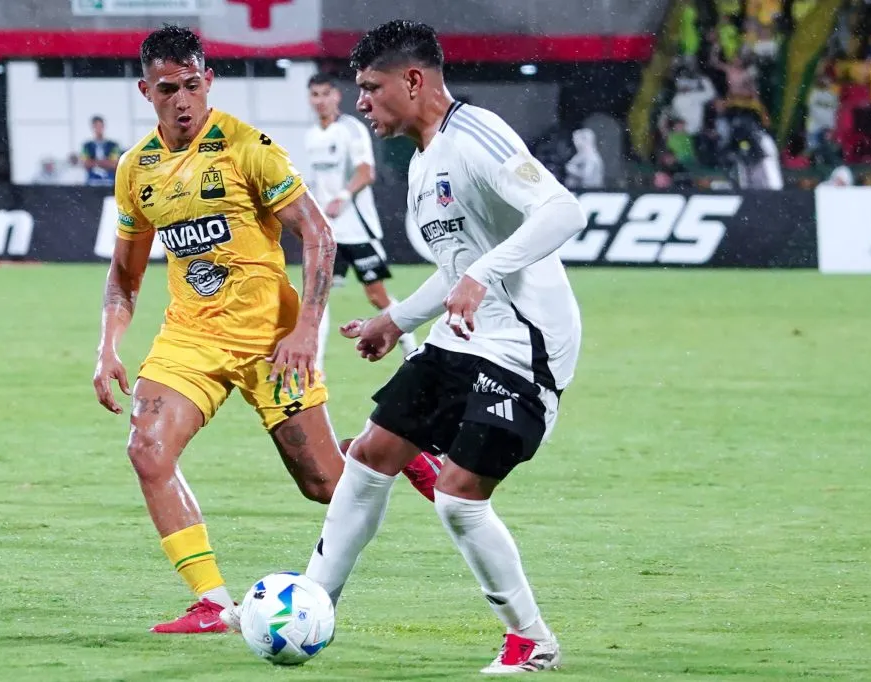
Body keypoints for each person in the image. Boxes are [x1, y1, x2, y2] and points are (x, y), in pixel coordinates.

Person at [226, 20, 586, 674]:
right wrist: (393, 320)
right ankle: (311, 606)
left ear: (414, 80)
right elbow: (456, 271)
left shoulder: (476, 134)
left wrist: (482, 275)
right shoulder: (423, 163)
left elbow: (563, 212)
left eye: (371, 88)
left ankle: (531, 639)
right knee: (369, 455)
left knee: (456, 496)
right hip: (466, 336)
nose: (360, 101)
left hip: (525, 350)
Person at [91, 24, 439, 636]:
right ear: (146, 90)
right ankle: (212, 604)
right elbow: (125, 274)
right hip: (189, 339)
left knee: (328, 488)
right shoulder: (136, 168)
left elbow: (319, 234)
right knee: (146, 449)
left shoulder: (249, 148)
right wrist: (108, 346)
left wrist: (305, 329)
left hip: (271, 341)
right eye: (168, 87)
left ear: (209, 82)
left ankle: (393, 446)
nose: (182, 99)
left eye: (193, 84)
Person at [304, 73, 418, 370]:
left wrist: (342, 196)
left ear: (336, 96)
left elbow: (366, 173)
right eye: (315, 95)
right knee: (319, 294)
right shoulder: (311, 136)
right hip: (330, 232)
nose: (320, 100)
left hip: (357, 229)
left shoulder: (352, 130)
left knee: (376, 295)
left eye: (325, 93)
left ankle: (411, 347)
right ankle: (315, 367)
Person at [81, 115, 122, 187]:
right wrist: (105, 162)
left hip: (109, 182)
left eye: (100, 126)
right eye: (96, 126)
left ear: (104, 127)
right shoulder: (86, 145)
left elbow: (114, 164)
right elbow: (85, 164)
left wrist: (94, 162)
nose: (98, 129)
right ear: (92, 128)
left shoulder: (113, 145)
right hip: (92, 182)